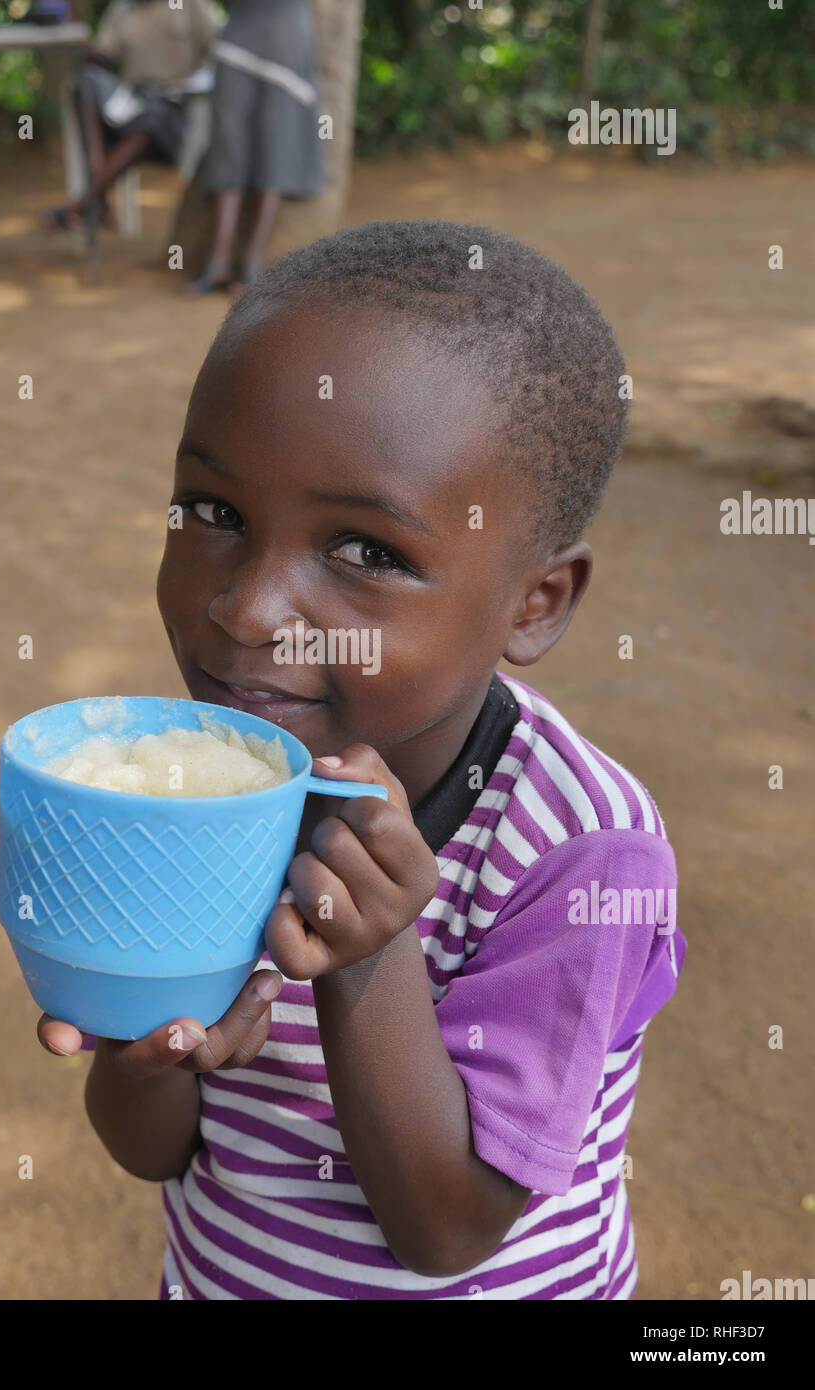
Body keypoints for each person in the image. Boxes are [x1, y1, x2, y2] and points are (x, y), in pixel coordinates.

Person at [39, 220, 686, 1299]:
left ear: (535, 604)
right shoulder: (196, 780)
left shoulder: (579, 850)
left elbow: (447, 1227)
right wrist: (143, 1055)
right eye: (214, 512)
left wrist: (363, 956)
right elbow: (155, 1149)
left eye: (368, 551)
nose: (248, 610)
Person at [44, 0, 216, 232]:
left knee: (152, 120)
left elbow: (220, 51)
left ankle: (86, 201)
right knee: (84, 84)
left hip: (177, 107)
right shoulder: (123, 8)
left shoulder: (192, 5)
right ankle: (97, 196)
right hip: (134, 99)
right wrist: (81, 44)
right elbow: (103, 57)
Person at [190, 0, 323, 294]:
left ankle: (253, 263)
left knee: (278, 145)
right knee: (228, 146)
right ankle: (218, 261)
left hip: (285, 34)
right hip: (238, 36)